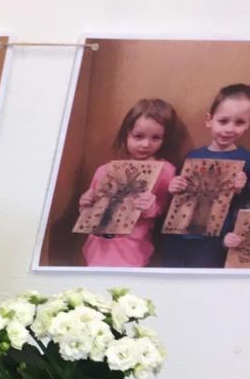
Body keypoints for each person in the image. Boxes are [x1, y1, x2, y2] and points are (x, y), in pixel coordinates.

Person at [74, 98, 176, 268]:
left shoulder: (165, 170)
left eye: (156, 138)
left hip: (132, 250)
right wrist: (85, 204)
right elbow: (91, 211)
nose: (146, 144)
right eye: (138, 136)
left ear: (164, 139)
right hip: (97, 249)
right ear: (126, 134)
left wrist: (151, 207)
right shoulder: (104, 170)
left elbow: (164, 211)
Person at [158, 83, 250, 269]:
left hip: (216, 239)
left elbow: (245, 205)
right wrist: (174, 185)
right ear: (209, 120)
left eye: (239, 122)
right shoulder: (194, 156)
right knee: (174, 274)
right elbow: (180, 195)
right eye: (223, 121)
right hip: (179, 234)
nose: (229, 129)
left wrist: (243, 188)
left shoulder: (246, 158)